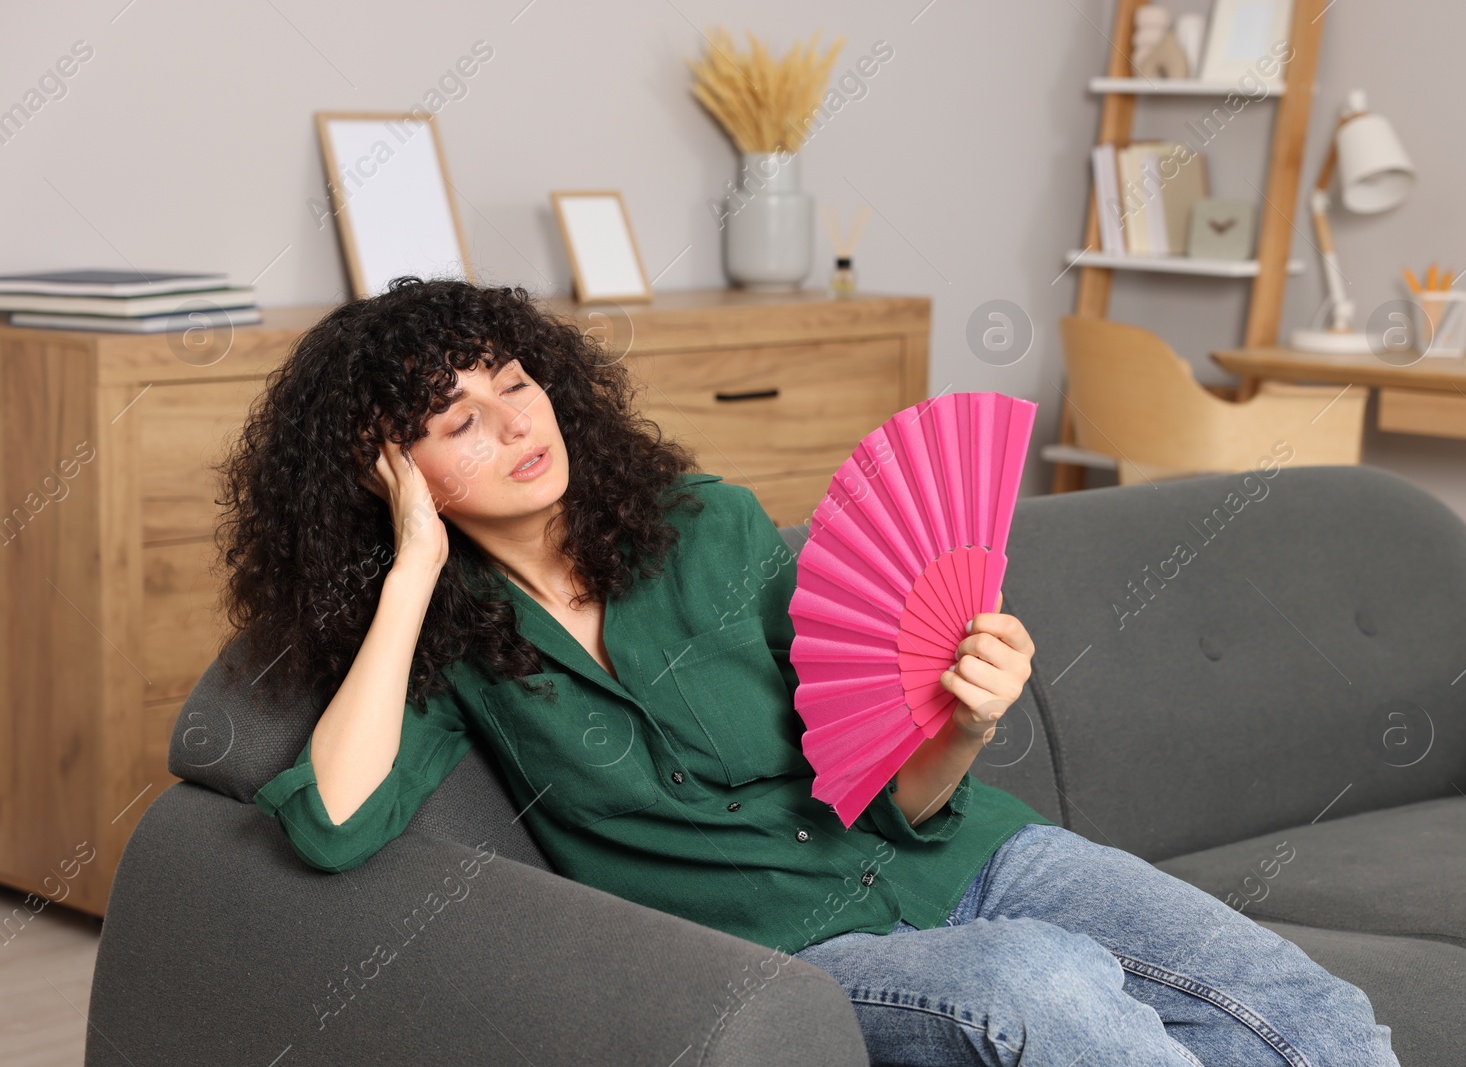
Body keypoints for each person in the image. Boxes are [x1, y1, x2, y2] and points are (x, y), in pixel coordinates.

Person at [219, 276, 1401, 1066]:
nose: (516, 426)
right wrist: (417, 558)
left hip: (977, 854)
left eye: (515, 385)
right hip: (789, 951)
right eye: (456, 420)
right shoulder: (440, 640)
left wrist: (965, 725)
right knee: (1046, 980)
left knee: (1311, 1012)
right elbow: (331, 821)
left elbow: (897, 791)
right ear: (391, 468)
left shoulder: (706, 526)